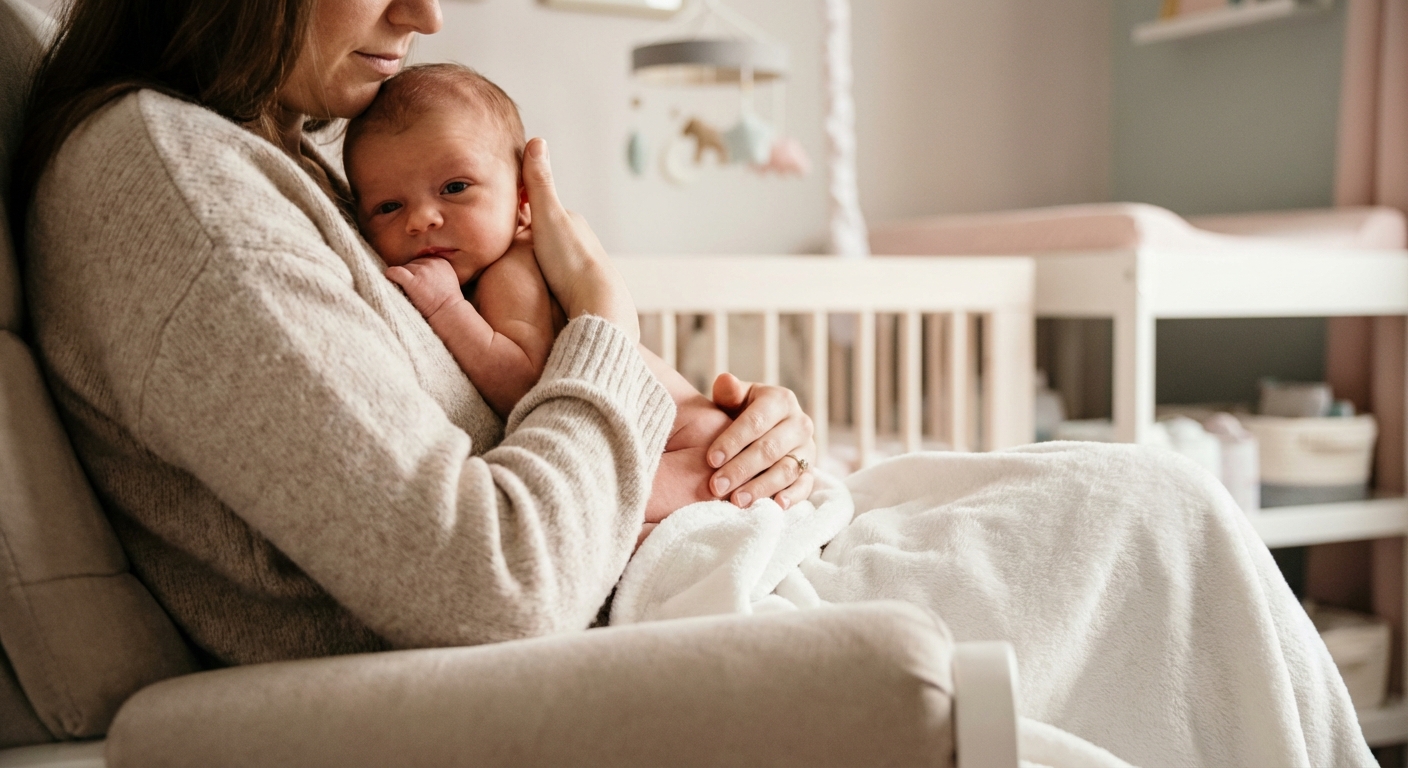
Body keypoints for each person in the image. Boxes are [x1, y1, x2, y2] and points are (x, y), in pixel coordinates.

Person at [16, 0, 1375, 765]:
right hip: (584, 622)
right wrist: (605, 320)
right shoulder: (165, 181)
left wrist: (733, 433)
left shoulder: (258, 165)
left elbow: (473, 444)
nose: (423, 15)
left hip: (622, 554)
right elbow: (487, 573)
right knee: (1149, 522)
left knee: (1145, 499)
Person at [343, 63, 741, 526]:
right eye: (389, 206)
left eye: (455, 188)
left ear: (522, 199)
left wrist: (446, 307)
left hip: (692, 449)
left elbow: (524, 382)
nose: (422, 218)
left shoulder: (512, 269)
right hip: (670, 445)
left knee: (592, 514)